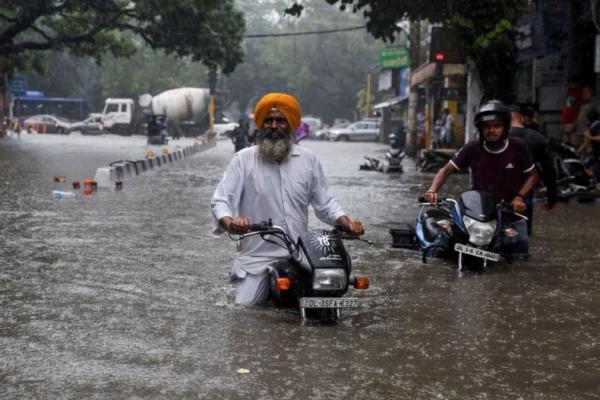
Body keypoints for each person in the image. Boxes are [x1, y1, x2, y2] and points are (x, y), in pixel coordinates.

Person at [211, 92, 364, 306]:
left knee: (332, 296)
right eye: (268, 120)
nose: (274, 125)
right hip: (258, 259)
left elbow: (326, 203)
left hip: (302, 256)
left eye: (280, 120)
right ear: (261, 125)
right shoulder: (243, 160)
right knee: (246, 308)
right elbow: (221, 201)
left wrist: (347, 222)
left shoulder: (308, 160)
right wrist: (231, 222)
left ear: (291, 124)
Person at [423, 100, 539, 253]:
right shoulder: (472, 147)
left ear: (504, 127)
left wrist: (519, 197)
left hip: (509, 213)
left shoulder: (518, 147)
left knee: (518, 258)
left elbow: (533, 176)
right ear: (480, 128)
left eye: (496, 126)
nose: (492, 130)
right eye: (487, 126)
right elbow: (446, 170)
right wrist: (432, 190)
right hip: (479, 214)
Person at [509, 104, 558, 234]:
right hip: (527, 190)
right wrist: (551, 197)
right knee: (524, 236)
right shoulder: (537, 137)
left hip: (500, 191)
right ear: (522, 118)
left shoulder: (497, 137)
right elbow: (550, 170)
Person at [578, 109, 600, 179]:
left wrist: (590, 137)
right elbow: (586, 141)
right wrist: (578, 150)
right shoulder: (592, 126)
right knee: (588, 165)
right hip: (596, 152)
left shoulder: (597, 126)